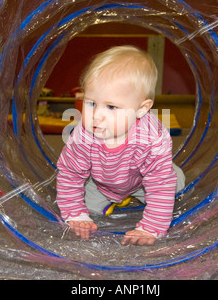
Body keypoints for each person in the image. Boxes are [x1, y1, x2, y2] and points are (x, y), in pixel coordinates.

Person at [56, 45, 185, 245]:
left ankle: (165, 175)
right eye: (91, 103)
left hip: (140, 181)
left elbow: (159, 183)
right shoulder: (84, 132)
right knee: (84, 213)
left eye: (111, 107)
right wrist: (75, 213)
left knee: (173, 183)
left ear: (141, 109)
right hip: (99, 183)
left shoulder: (152, 137)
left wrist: (150, 228)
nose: (96, 115)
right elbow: (70, 172)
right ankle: (105, 200)